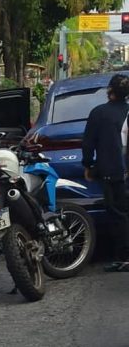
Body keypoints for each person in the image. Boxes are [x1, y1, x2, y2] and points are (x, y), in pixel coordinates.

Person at [82, 74, 129, 272]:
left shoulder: (99, 113)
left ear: (110, 91)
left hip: (113, 173)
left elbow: (88, 143)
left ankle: (124, 257)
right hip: (121, 171)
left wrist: (88, 166)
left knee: (119, 214)